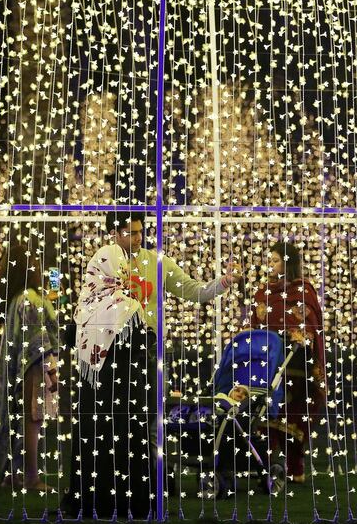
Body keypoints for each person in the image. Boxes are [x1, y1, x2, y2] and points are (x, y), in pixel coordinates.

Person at [61, 211, 241, 520]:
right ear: (114, 234)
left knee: (149, 425)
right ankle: (106, 491)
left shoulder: (156, 262)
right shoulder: (105, 262)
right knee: (110, 426)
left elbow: (193, 290)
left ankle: (149, 490)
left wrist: (223, 283)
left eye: (140, 232)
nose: (138, 238)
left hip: (147, 354)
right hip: (110, 360)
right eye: (131, 232)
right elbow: (90, 306)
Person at [250, 241, 326, 484]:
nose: (270, 265)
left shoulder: (303, 290)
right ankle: (267, 467)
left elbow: (312, 323)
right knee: (264, 414)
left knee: (294, 417)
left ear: (288, 263)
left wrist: (299, 334)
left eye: (275, 261)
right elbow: (256, 322)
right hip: (267, 365)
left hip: (296, 366)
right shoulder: (263, 291)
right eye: (269, 260)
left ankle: (295, 468)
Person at [0, 243, 60, 492]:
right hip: (34, 366)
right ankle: (31, 477)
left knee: (21, 419)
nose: (40, 268)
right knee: (32, 420)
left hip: (24, 365)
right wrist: (51, 372)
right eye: (36, 263)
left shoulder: (19, 299)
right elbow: (38, 340)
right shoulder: (29, 300)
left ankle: (13, 475)